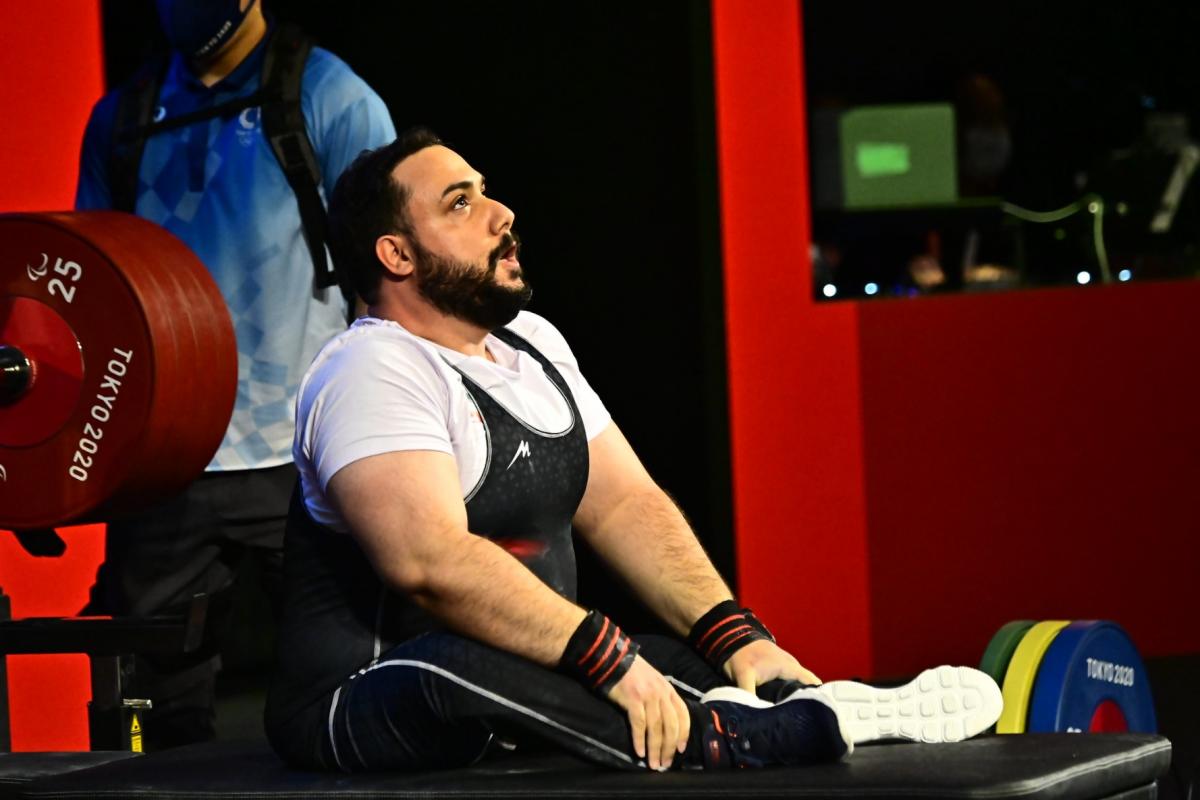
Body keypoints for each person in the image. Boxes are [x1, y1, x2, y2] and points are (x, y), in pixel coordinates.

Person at [264, 129, 1003, 772]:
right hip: (364, 701)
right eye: (460, 203)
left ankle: (788, 702)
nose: (502, 214)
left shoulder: (534, 345)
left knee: (687, 659)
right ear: (395, 253)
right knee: (454, 663)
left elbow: (623, 504)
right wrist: (610, 663)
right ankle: (738, 737)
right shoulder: (369, 367)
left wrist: (737, 637)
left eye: (487, 192)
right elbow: (430, 565)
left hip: (522, 680)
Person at [74, 0, 396, 747]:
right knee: (148, 729)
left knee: (344, 697)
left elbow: (391, 284)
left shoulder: (332, 98)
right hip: (163, 463)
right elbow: (92, 295)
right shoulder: (119, 120)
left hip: (306, 458)